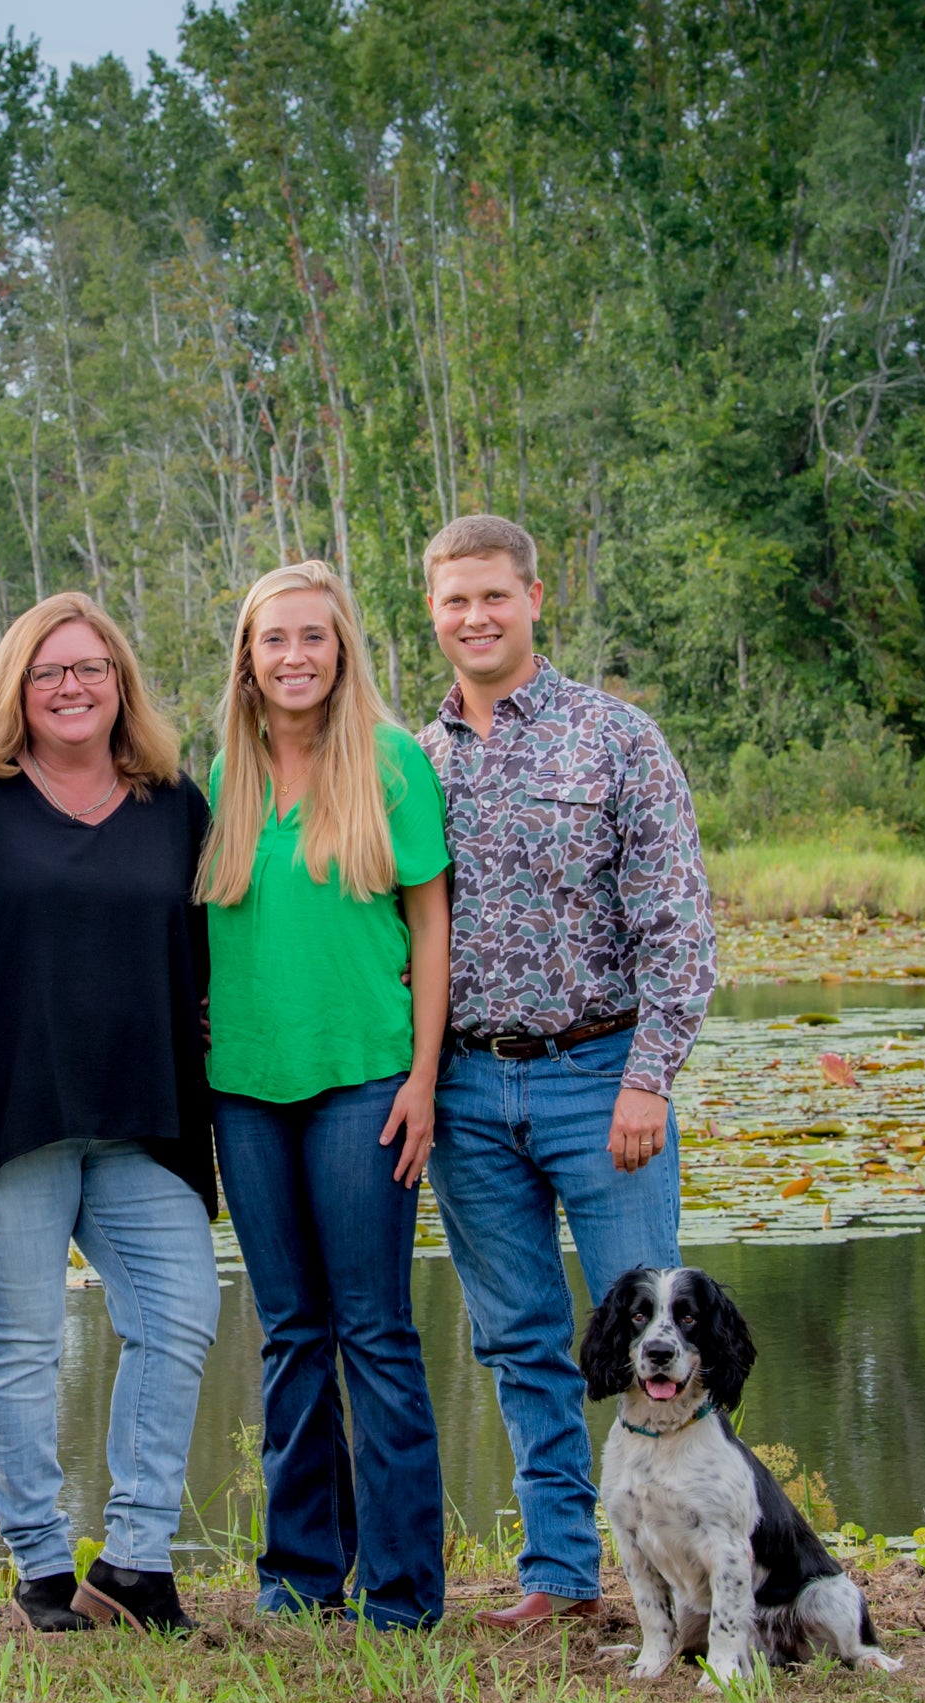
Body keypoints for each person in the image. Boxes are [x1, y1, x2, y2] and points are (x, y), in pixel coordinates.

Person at [415, 513, 718, 1631]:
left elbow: (678, 924)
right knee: (517, 1337)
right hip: (466, 1089)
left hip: (600, 1077)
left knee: (658, 1332)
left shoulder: (616, 739)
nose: (476, 617)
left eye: (495, 595)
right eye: (455, 600)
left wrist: (650, 1074)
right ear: (433, 611)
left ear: (536, 597)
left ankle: (694, 1575)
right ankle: (558, 1569)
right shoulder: (416, 757)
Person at [0, 592, 218, 1636]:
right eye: (50, 670)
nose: (73, 685)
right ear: (16, 683)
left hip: (144, 1112)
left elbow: (212, 943)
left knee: (180, 1317)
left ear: (121, 681)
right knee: (24, 1340)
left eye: (93, 666)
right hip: (8, 1112)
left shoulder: (173, 799)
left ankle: (136, 1561)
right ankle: (43, 1566)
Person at [198, 559, 453, 1629]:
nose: (294, 656)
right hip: (247, 1090)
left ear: (342, 648)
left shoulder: (392, 766)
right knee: (291, 1331)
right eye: (274, 640)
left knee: (375, 1330)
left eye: (313, 636)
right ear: (247, 661)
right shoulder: (222, 776)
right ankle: (302, 1579)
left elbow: (433, 927)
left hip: (366, 1083)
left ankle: (402, 1592)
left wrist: (425, 1079)